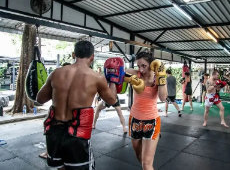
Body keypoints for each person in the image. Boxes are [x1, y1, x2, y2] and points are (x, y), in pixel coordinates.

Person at [36, 41, 117, 169]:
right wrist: (113, 79)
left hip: (54, 133)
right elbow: (112, 100)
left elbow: (39, 99)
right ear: (92, 57)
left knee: (59, 168)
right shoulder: (96, 77)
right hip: (76, 135)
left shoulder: (56, 73)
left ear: (74, 54)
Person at [126, 51, 167, 170]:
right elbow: (126, 72)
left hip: (151, 121)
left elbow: (163, 97)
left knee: (146, 164)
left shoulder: (157, 78)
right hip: (135, 121)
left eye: (144, 65)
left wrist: (161, 77)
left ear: (152, 64)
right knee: (140, 157)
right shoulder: (136, 74)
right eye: (138, 66)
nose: (141, 69)